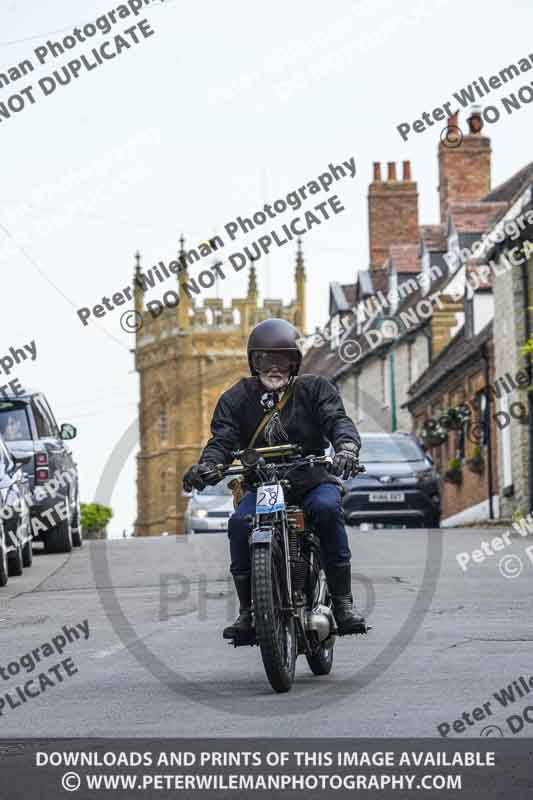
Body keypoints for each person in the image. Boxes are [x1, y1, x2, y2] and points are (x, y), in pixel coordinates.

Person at [183, 318, 365, 639]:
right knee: (241, 523)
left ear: (295, 361)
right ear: (254, 362)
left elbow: (337, 420)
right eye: (266, 359)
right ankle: (248, 612)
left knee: (326, 509)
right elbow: (221, 441)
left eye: (282, 359)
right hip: (263, 484)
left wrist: (347, 448)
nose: (274, 366)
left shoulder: (315, 389)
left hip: (311, 479)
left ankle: (343, 602)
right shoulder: (236, 397)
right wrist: (208, 466)